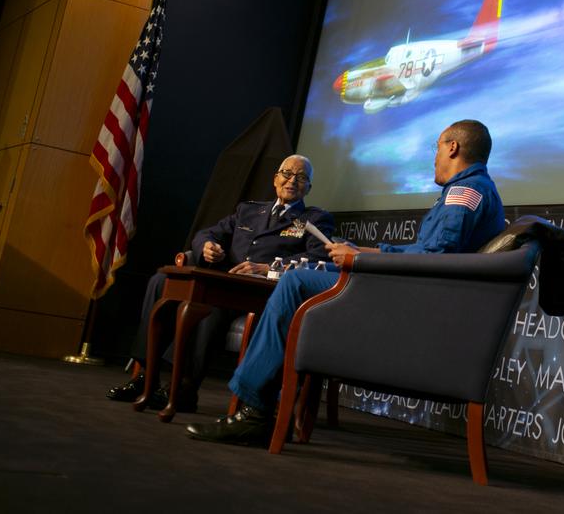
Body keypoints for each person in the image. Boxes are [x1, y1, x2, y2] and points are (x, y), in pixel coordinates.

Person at [185, 119, 505, 445]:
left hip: (409, 299)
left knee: (295, 282)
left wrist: (361, 260)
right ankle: (261, 404)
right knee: (310, 274)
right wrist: (362, 251)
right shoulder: (468, 190)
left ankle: (254, 411)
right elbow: (425, 252)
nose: (434, 157)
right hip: (408, 290)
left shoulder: (465, 192)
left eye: (436, 147)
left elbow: (433, 260)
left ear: (453, 147)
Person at [106, 155, 335, 411]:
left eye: (301, 177)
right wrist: (207, 246)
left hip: (262, 293)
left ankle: (184, 388)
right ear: (275, 179)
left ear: (309, 188)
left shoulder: (314, 219)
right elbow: (209, 232)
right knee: (161, 281)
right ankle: (146, 376)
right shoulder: (248, 210)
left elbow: (318, 257)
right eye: (287, 173)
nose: (292, 180)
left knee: (210, 307)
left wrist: (269, 267)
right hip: (226, 280)